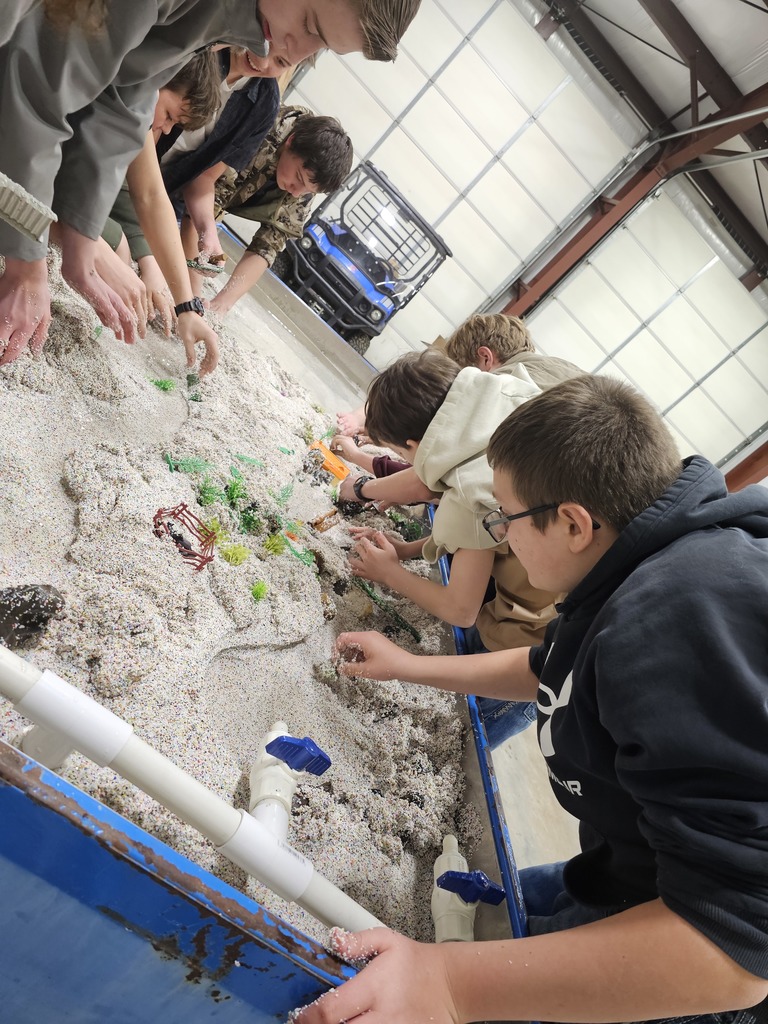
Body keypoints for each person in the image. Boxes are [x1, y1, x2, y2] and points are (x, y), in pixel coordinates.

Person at [297, 373, 768, 1024]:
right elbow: (560, 669)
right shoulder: (654, 560)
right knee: (499, 913)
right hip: (626, 875)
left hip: (686, 961)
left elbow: (734, 951)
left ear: (574, 523)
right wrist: (411, 665)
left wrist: (452, 987)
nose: (501, 536)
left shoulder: (675, 626)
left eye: (505, 518)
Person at [0, 0, 422, 365]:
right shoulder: (218, 49)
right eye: (310, 24)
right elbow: (40, 85)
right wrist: (27, 264)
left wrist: (79, 244)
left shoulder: (240, 41)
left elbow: (123, 103)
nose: (293, 50)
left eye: (323, 44)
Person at [346, 348, 567, 745]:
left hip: (537, 640)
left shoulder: (474, 490)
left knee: (467, 726)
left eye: (401, 454)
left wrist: (389, 573)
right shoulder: (501, 396)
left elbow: (460, 610)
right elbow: (475, 534)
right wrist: (412, 551)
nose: (407, 463)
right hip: (559, 593)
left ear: (415, 445)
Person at [100, 51, 223, 373]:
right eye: (169, 115)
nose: (165, 130)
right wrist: (96, 253)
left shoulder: (137, 119)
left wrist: (187, 306)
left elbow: (150, 195)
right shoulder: (105, 89)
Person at [182, 107, 354, 318]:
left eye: (308, 190)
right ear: (290, 142)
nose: (296, 191)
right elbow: (199, 199)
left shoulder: (305, 181)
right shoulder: (262, 128)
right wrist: (192, 296)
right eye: (299, 178)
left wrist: (221, 305)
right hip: (181, 180)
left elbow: (268, 246)